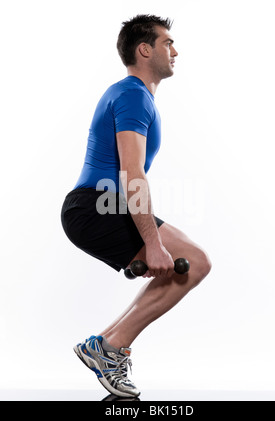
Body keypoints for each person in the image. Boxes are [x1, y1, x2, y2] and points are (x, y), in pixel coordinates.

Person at [61, 14, 211, 398]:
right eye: (167, 43)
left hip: (98, 204)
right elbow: (132, 174)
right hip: (96, 205)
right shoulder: (132, 95)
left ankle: (106, 343)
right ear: (144, 50)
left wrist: (156, 244)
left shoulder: (133, 95)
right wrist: (155, 244)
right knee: (193, 260)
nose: (175, 51)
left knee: (187, 264)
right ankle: (110, 348)